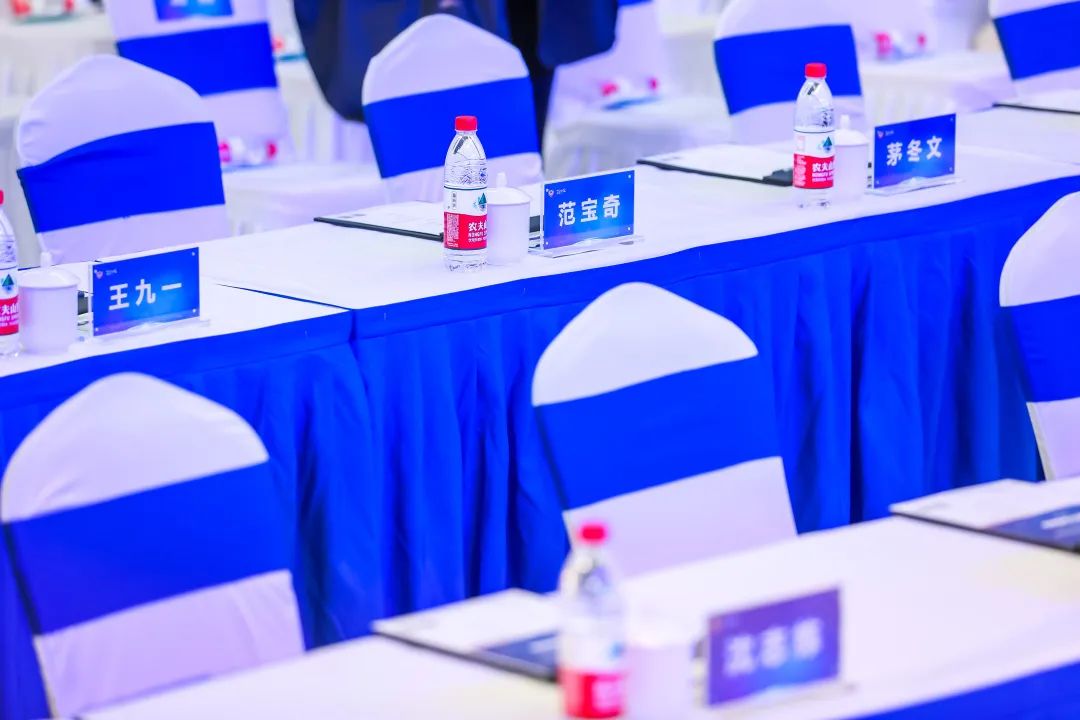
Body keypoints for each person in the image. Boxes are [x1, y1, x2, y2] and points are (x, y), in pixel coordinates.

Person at [293, 0, 619, 143]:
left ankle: (517, 225)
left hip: (527, 19)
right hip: (430, 18)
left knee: (520, 146)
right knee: (443, 146)